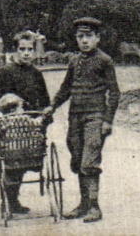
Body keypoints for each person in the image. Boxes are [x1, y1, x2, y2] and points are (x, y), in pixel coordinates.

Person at [45, 16, 120, 223]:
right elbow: (65, 88)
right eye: (80, 37)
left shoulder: (105, 61)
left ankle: (95, 207)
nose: (84, 41)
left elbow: (114, 93)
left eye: (88, 36)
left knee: (90, 161)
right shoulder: (74, 61)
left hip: (95, 117)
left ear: (97, 38)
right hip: (75, 117)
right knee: (77, 160)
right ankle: (83, 204)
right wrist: (52, 106)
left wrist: (108, 120)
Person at [0, 31, 51, 216]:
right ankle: (11, 200)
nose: (27, 53)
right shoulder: (6, 72)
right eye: (22, 49)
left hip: (31, 127)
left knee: (29, 155)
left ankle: (13, 199)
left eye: (30, 49)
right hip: (11, 127)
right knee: (13, 161)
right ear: (15, 51)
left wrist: (45, 115)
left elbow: (45, 100)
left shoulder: (36, 74)